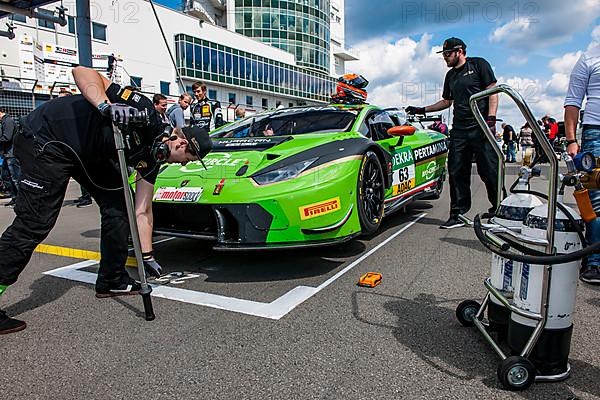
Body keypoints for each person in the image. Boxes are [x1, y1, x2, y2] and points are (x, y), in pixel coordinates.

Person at [0, 66, 212, 334]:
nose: (182, 165)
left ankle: (112, 278)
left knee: (120, 204)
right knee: (35, 222)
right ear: (182, 145)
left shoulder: (152, 162)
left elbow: (142, 210)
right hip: (47, 139)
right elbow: (82, 72)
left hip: (87, 154)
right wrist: (105, 106)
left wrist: (147, 255)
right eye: (188, 160)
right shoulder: (144, 110)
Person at [405, 37, 499, 229]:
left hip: (481, 126)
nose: (445, 58)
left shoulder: (479, 65)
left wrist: (491, 119)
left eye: (448, 54)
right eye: (444, 54)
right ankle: (457, 214)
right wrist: (421, 109)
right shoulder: (450, 76)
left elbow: (492, 91)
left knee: (489, 170)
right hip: (460, 130)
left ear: (460, 51)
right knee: (456, 171)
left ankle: (499, 207)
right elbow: (447, 102)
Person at [564, 44, 600, 284]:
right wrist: (571, 140)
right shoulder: (589, 58)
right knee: (596, 197)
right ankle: (594, 261)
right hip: (595, 132)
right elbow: (573, 102)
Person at [0, 107, 20, 209]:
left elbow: (7, 137)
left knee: (15, 178)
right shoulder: (4, 122)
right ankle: (15, 197)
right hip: (7, 154)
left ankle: (22, 201)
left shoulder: (8, 121)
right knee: (5, 176)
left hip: (12, 154)